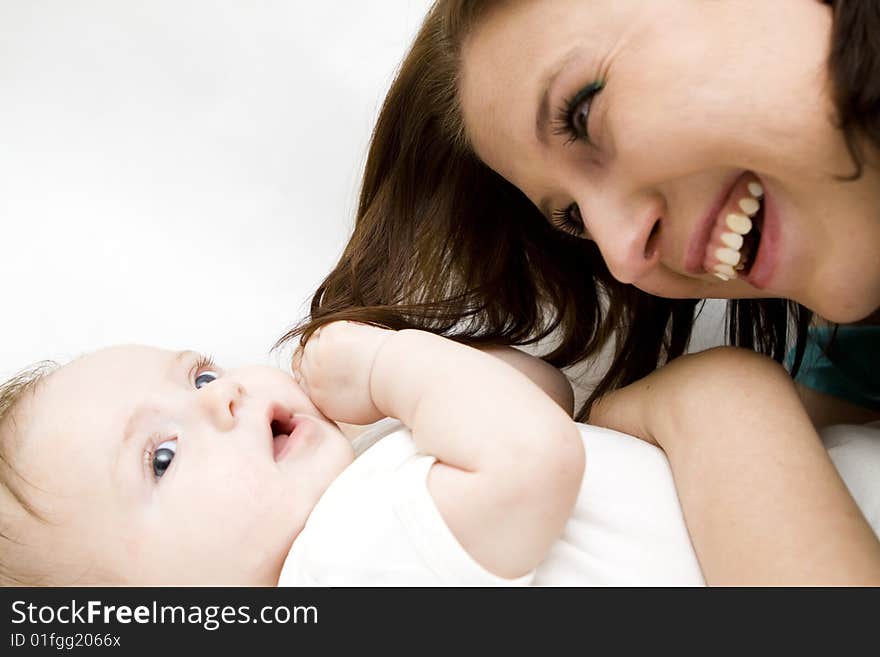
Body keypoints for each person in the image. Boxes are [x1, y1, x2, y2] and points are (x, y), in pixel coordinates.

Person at [282, 0, 880, 422]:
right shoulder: (848, 379)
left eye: (583, 113)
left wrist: (714, 408)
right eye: (573, 218)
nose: (622, 255)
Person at [1, 323, 878, 586]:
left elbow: (543, 395)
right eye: (160, 457)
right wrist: (385, 366)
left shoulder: (374, 496)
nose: (220, 396)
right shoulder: (337, 566)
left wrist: (418, 391)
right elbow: (536, 460)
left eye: (197, 373)